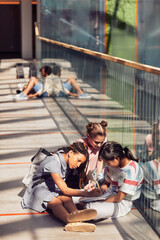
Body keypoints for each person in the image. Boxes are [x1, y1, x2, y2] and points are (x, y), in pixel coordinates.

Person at [21, 142, 101, 232]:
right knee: (56, 202)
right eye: (78, 160)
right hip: (38, 190)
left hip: (51, 188)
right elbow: (65, 189)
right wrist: (88, 194)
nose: (78, 165)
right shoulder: (53, 162)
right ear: (70, 153)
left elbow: (66, 191)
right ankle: (69, 222)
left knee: (67, 198)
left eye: (80, 163)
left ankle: (77, 216)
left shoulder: (65, 158)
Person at [83, 141, 144, 220]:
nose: (107, 165)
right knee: (79, 198)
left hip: (121, 203)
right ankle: (81, 208)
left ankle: (80, 210)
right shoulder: (113, 165)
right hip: (108, 194)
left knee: (91, 209)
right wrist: (100, 191)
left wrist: (101, 202)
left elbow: (119, 198)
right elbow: (106, 183)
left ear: (117, 158)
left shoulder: (132, 170)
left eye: (108, 163)